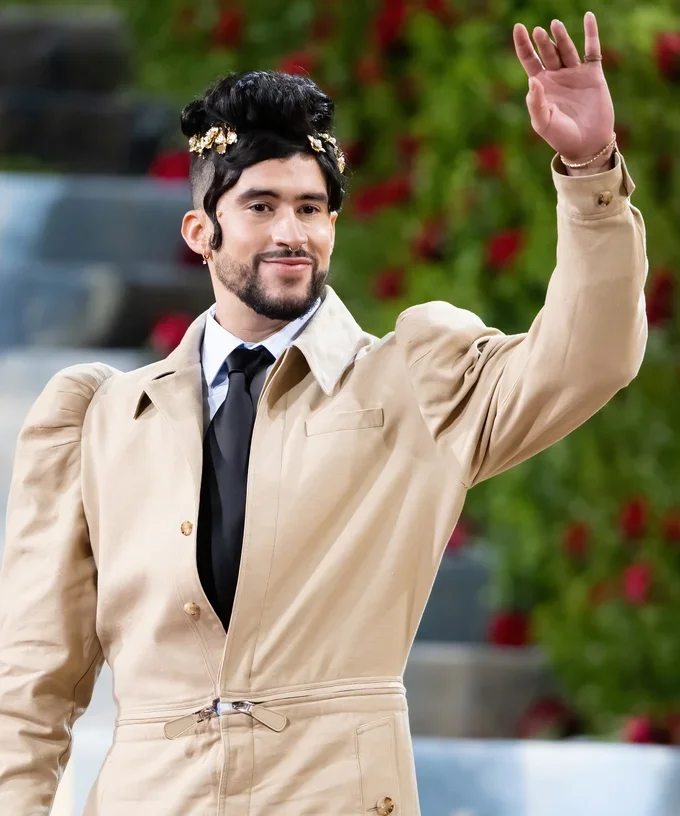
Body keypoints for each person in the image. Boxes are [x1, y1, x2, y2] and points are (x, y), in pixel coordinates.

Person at [0, 12, 647, 816]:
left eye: (311, 209)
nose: (291, 232)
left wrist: (589, 174)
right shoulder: (97, 423)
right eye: (261, 206)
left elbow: (590, 356)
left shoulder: (417, 380)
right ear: (201, 231)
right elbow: (30, 687)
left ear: (333, 226)